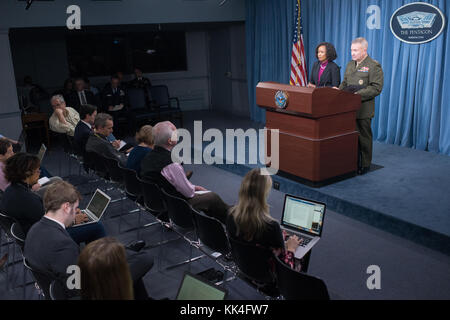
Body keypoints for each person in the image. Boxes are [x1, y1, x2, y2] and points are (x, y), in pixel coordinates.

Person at [24, 181, 154, 300]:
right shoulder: (62, 245)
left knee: (125, 260)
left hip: (64, 282)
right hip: (87, 292)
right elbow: (76, 287)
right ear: (66, 207)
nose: (76, 213)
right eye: (75, 209)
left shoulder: (35, 229)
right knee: (144, 259)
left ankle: (124, 253)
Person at [0, 153, 105, 242]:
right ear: (27, 173)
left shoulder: (12, 190)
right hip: (44, 238)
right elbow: (50, 223)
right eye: (37, 171)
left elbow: (40, 214)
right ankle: (94, 263)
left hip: (33, 232)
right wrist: (73, 220)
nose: (39, 173)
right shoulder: (25, 198)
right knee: (97, 227)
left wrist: (68, 214)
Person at [140, 121, 229, 224]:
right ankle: (233, 223)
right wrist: (193, 189)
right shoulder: (171, 164)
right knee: (212, 197)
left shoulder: (147, 157)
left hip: (153, 201)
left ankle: (220, 220)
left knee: (206, 198)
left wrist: (193, 187)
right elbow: (188, 193)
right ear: (170, 141)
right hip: (173, 206)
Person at [226, 168, 302, 270]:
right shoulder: (271, 225)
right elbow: (286, 267)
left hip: (242, 266)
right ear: (263, 194)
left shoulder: (231, 214)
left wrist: (280, 236)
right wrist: (291, 248)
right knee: (300, 257)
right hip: (266, 276)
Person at [338, 37, 384, 175]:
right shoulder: (350, 64)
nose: (352, 53)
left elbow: (376, 88)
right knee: (349, 138)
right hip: (347, 109)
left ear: (364, 50)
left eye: (355, 50)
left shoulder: (373, 65)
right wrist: (338, 92)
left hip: (363, 109)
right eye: (351, 50)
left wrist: (357, 94)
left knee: (363, 137)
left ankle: (364, 164)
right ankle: (351, 162)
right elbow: (344, 83)